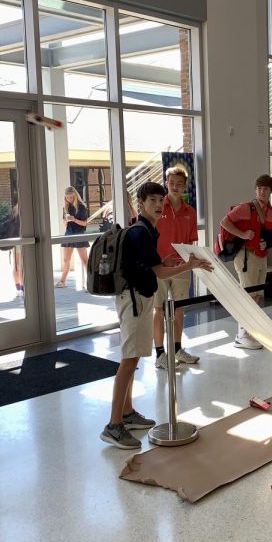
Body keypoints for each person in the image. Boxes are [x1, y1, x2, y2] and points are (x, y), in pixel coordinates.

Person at [100, 181, 213, 450]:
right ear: (141, 203)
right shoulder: (141, 232)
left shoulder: (148, 230)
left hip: (138, 298)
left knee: (133, 357)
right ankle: (113, 425)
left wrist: (171, 263)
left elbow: (153, 267)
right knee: (128, 361)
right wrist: (189, 265)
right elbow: (159, 274)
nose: (159, 205)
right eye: (153, 200)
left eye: (161, 200)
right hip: (135, 301)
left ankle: (127, 413)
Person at [220, 174, 272, 350]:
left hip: (261, 255)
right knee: (248, 295)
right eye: (259, 188)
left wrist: (267, 242)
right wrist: (243, 235)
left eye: (266, 188)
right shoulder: (246, 208)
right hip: (246, 255)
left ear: (270, 191)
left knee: (257, 295)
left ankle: (250, 331)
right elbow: (224, 222)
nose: (262, 191)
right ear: (255, 189)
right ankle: (241, 334)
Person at [153, 165, 200, 370]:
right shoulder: (156, 208)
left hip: (181, 267)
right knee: (159, 311)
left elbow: (191, 242)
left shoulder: (190, 211)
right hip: (159, 268)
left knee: (179, 310)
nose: (174, 186)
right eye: (171, 183)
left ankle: (177, 348)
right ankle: (160, 354)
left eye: (179, 184)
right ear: (166, 183)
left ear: (185, 187)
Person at [56, 186, 89, 288]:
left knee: (84, 260)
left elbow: (84, 224)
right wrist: (66, 220)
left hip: (79, 234)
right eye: (67, 197)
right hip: (68, 234)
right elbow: (65, 224)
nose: (69, 199)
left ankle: (92, 281)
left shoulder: (82, 207)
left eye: (71, 197)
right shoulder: (66, 207)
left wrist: (74, 219)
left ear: (75, 195)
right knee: (66, 260)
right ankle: (62, 281)